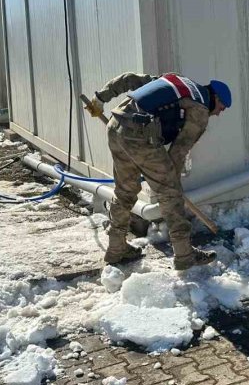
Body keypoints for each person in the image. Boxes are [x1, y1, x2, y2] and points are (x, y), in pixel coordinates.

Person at [84, 72, 231, 269]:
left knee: (125, 192)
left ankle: (116, 249)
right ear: (215, 98)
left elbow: (128, 79)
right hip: (139, 134)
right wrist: (168, 182)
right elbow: (178, 153)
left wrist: (100, 98)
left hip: (116, 126)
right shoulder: (200, 110)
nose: (219, 113)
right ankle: (184, 254)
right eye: (221, 108)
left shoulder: (176, 80)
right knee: (171, 195)